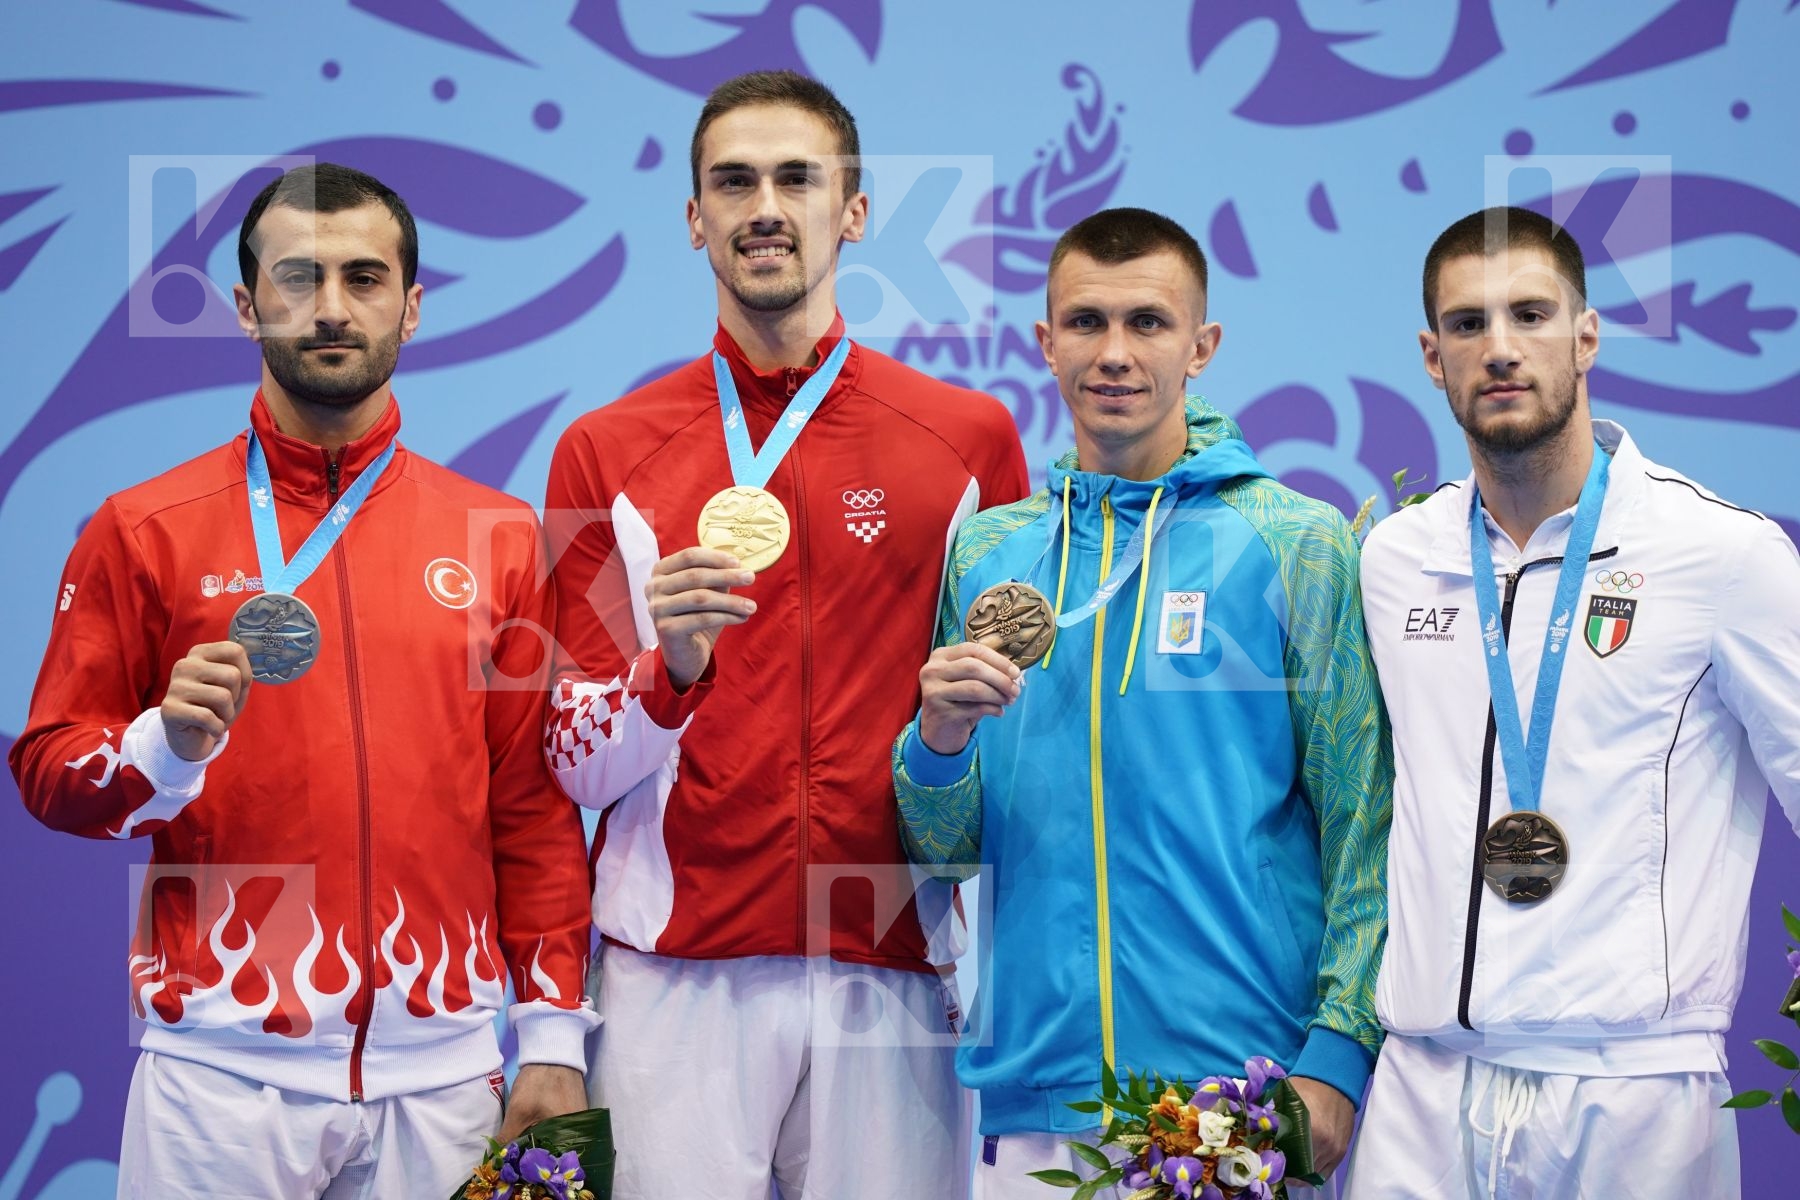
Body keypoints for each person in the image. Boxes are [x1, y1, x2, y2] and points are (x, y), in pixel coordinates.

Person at [10, 163, 597, 1198]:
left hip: (447, 1080)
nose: (332, 308)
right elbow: (51, 773)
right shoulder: (142, 530)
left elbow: (532, 807)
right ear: (246, 306)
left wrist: (551, 1032)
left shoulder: (496, 535)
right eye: (297, 278)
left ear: (412, 308)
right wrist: (163, 748)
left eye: (365, 278)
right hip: (219, 1078)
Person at [541, 70, 1029, 1199]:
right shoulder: (605, 454)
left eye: (796, 178)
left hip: (890, 965)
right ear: (695, 217)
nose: (765, 204)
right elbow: (569, 757)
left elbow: (1009, 731)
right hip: (674, 971)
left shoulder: (963, 440)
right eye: (734, 181)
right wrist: (667, 674)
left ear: (853, 212)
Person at [893, 206, 1392, 1198]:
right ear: (1044, 343)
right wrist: (937, 741)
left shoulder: (1293, 543)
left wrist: (1337, 1054)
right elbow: (945, 856)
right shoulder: (992, 553)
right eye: (1085, 323)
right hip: (1036, 1103)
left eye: (1148, 324)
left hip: (1238, 1097)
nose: (1114, 353)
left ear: (1202, 345)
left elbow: (1363, 822)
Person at [1346, 206, 1800, 1200]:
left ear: (1585, 335)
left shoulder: (1721, 555)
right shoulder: (1395, 559)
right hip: (1423, 1090)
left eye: (1531, 315)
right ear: (1431, 356)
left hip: (1633, 1089)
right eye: (1467, 325)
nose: (1500, 348)